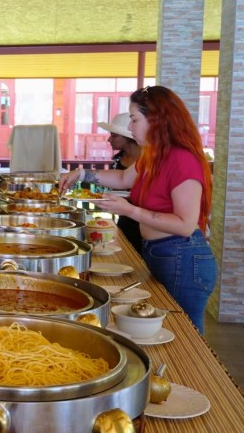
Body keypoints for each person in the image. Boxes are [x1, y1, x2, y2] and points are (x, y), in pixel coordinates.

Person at [59, 86, 216, 333]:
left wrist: (129, 211)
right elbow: (122, 179)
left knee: (188, 337)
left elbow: (185, 224)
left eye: (134, 120)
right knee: (166, 328)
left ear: (156, 120)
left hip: (185, 257)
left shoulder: (182, 159)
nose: (130, 128)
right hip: (162, 252)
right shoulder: (154, 156)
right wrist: (82, 173)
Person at [97, 112, 142, 253]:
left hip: (144, 218)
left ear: (129, 138)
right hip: (124, 217)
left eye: (115, 135)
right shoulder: (118, 160)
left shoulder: (148, 159)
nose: (109, 140)